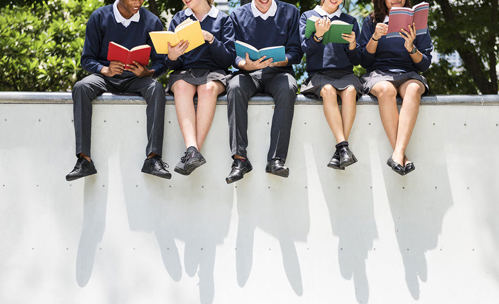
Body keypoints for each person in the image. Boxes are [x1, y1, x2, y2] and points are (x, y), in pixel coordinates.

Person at [65, 0, 171, 181]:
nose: (138, 2)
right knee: (81, 87)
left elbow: (162, 61)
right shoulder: (99, 17)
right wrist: (104, 69)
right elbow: (87, 59)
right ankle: (84, 160)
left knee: (156, 89)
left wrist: (148, 72)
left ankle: (153, 159)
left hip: (136, 79)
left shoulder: (152, 22)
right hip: (105, 78)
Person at [225, 0, 303, 184]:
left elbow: (297, 52)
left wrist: (281, 60)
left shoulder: (291, 12)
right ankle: (240, 160)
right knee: (234, 87)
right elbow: (231, 53)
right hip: (248, 73)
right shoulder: (237, 15)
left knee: (289, 87)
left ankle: (276, 159)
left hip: (279, 72)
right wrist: (244, 64)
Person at [359, 0, 432, 175]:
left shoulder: (417, 22)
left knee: (414, 89)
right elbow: (364, 61)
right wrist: (375, 38)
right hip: (379, 74)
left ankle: (397, 154)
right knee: (386, 90)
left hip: (408, 73)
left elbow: (424, 64)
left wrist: (411, 48)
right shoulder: (371, 22)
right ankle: (401, 155)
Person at [166, 0, 235, 176]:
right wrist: (173, 56)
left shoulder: (223, 20)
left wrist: (211, 39)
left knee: (208, 89)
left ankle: (193, 152)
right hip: (185, 72)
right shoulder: (179, 19)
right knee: (181, 87)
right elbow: (170, 63)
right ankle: (192, 150)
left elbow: (228, 60)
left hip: (214, 72)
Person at [299, 0, 362, 170]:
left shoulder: (349, 20)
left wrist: (353, 44)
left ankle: (341, 149)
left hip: (346, 74)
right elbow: (304, 49)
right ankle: (343, 147)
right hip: (319, 74)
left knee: (350, 91)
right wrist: (318, 35)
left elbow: (357, 59)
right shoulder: (308, 16)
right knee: (328, 90)